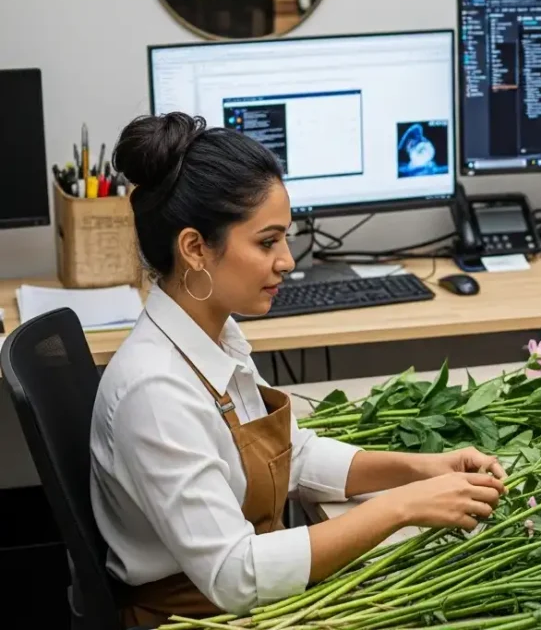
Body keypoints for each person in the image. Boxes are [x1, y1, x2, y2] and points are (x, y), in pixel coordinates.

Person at [91, 113, 509, 626]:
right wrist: (402, 507)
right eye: (267, 242)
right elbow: (234, 576)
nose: (287, 261)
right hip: (199, 617)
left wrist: (422, 468)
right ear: (195, 248)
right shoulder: (153, 391)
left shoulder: (212, 335)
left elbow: (298, 454)